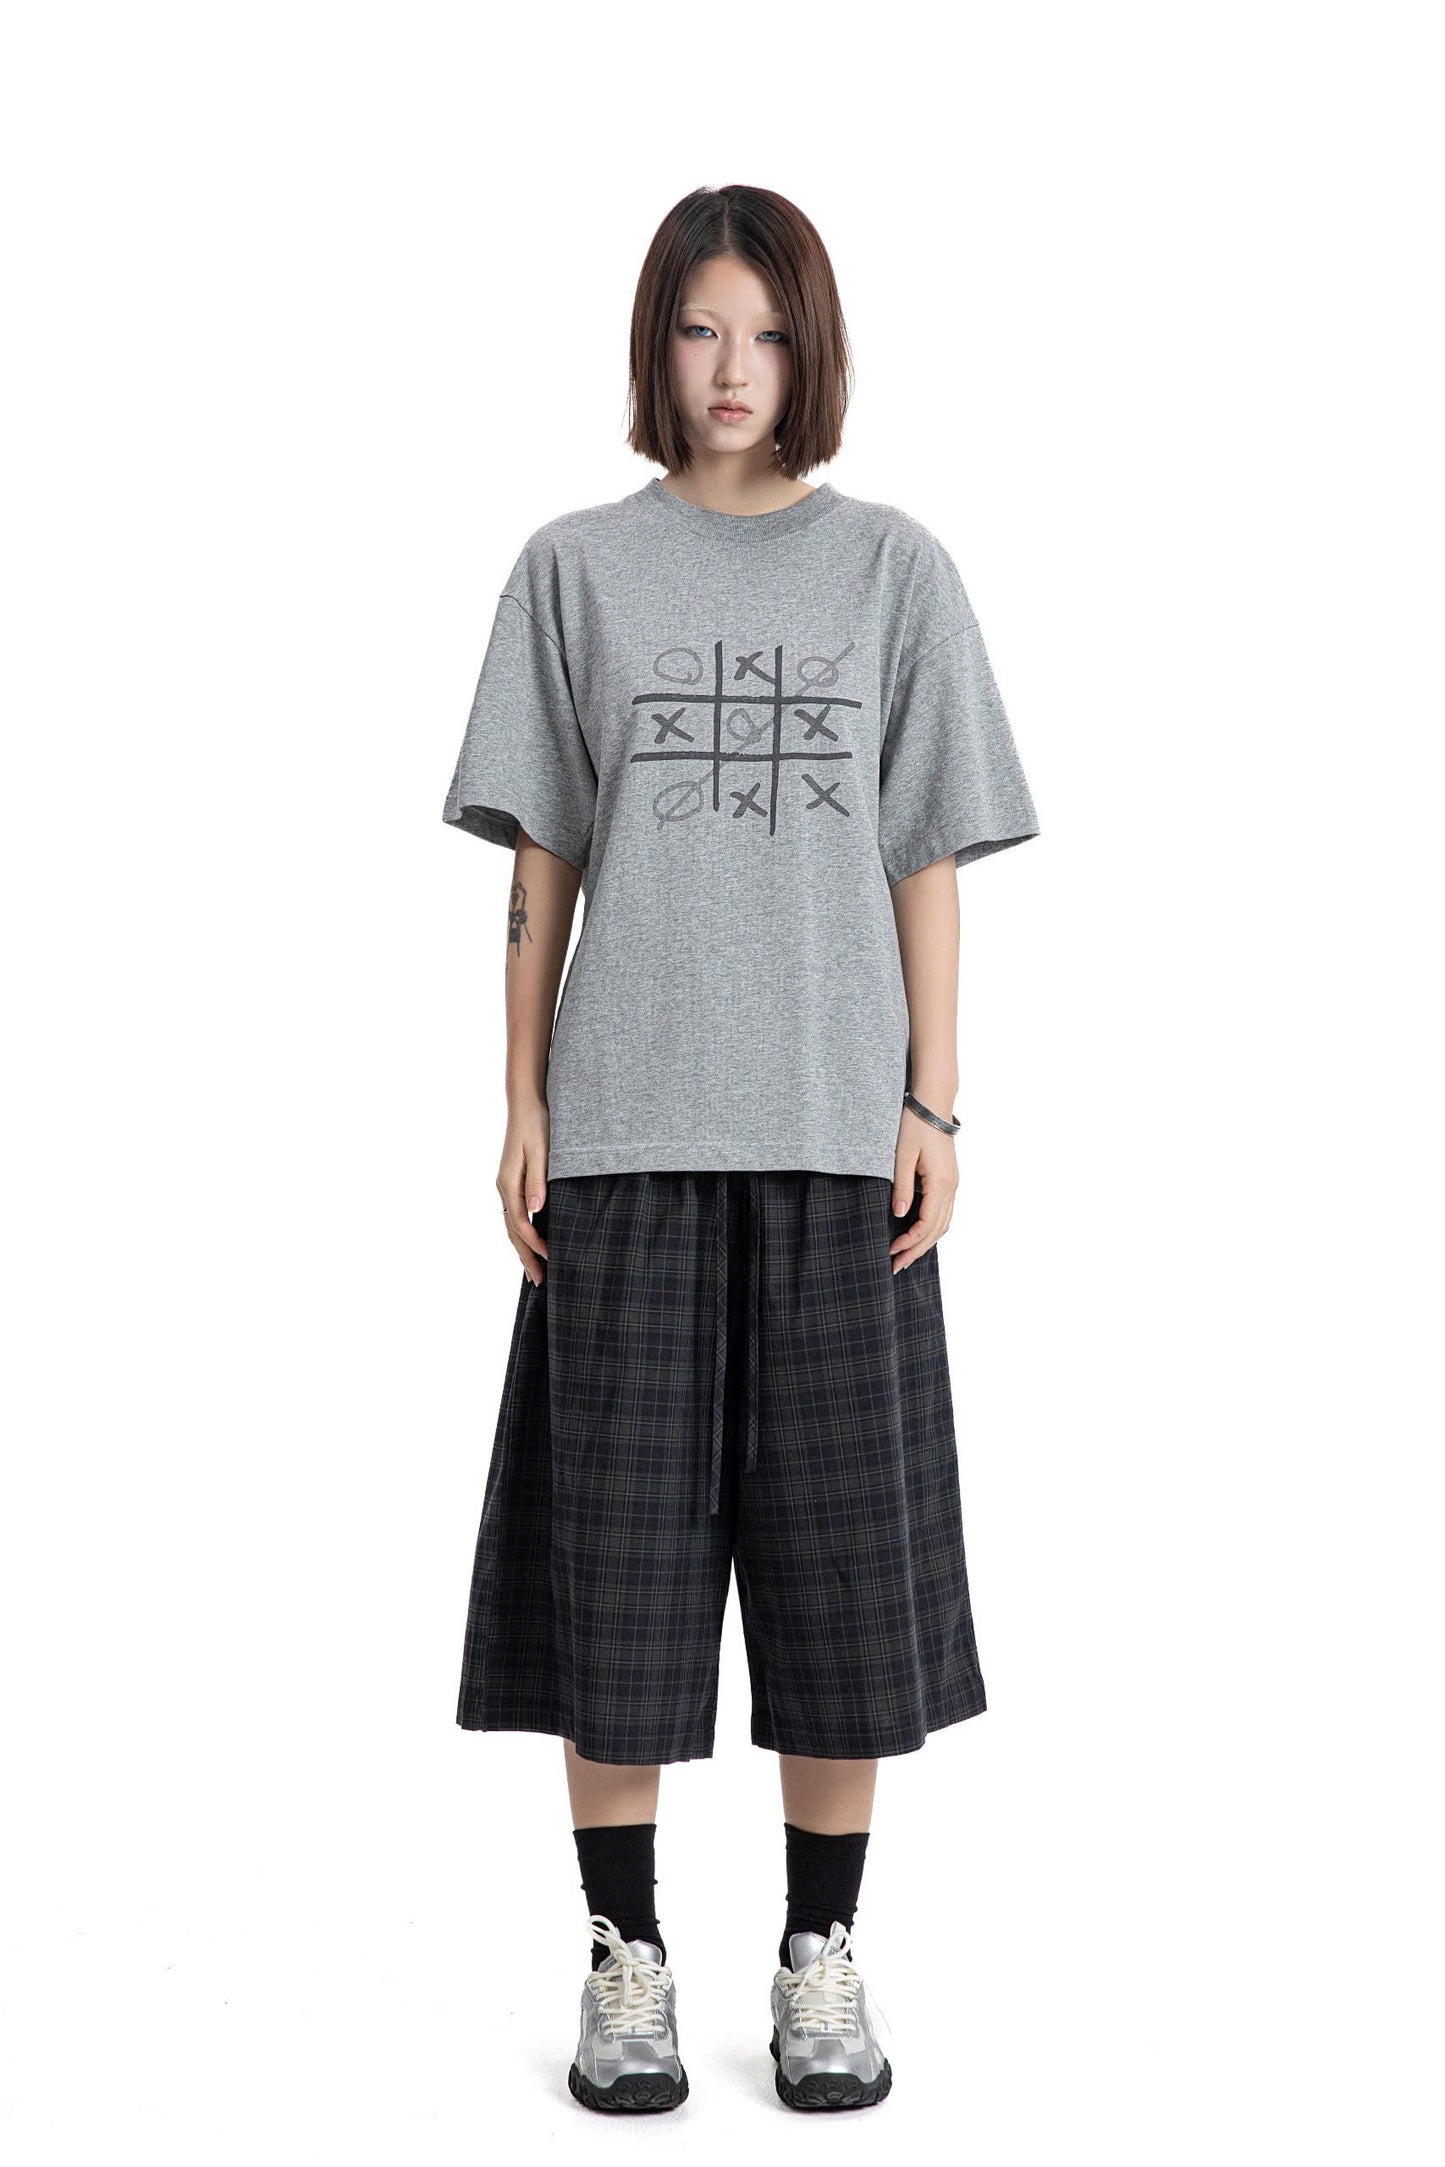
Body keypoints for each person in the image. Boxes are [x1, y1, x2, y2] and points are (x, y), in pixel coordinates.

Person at [442, 182, 1040, 2115]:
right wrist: (521, 1098)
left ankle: (817, 1955)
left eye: (766, 334)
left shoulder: (892, 573)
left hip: (833, 1146)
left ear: (812, 353)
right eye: (701, 329)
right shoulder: (571, 571)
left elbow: (926, 852)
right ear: (656, 344)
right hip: (622, 1141)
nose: (732, 369)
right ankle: (623, 1954)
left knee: (841, 1584)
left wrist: (932, 1101)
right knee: (613, 1581)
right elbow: (544, 854)